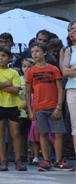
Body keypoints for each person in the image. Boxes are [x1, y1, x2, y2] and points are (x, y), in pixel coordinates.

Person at [25, 42, 73, 171]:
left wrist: (58, 107)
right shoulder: (31, 72)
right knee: (43, 134)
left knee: (59, 134)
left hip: (53, 107)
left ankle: (58, 160)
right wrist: (30, 110)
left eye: (37, 51)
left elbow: (60, 89)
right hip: (39, 108)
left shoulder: (53, 69)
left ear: (45, 53)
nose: (34, 54)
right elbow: (28, 92)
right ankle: (46, 161)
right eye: (32, 51)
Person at [0, 46, 25, 171]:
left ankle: (18, 160)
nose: (1, 58)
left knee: (15, 133)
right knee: (0, 133)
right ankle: (3, 160)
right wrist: (7, 84)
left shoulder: (14, 73)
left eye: (3, 56)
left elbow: (15, 90)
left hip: (13, 105)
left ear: (9, 58)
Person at [61, 20, 76, 159]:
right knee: (75, 127)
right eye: (71, 29)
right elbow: (65, 72)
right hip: (72, 90)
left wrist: (73, 68)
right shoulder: (69, 50)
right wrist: (71, 69)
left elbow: (68, 69)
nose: (73, 31)